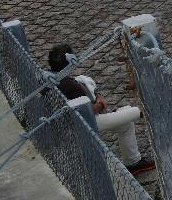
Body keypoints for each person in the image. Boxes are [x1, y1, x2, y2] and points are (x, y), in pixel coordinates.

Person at [47, 44, 155, 175]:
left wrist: (98, 96)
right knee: (135, 111)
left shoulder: (53, 78)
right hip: (86, 122)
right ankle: (151, 111)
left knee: (125, 125)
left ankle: (133, 162)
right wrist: (101, 104)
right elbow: (89, 111)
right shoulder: (68, 85)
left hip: (73, 122)